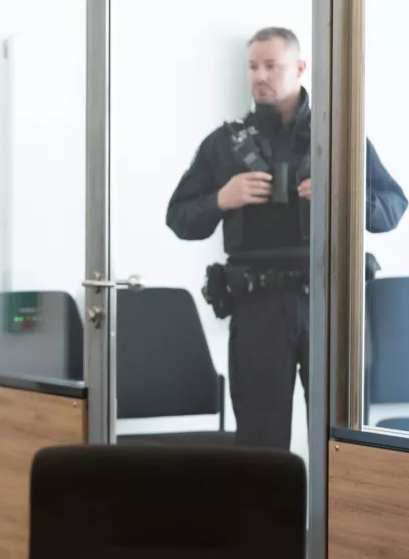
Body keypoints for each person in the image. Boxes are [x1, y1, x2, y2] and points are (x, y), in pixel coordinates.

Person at [166, 27, 407, 450]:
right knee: (260, 443)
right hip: (258, 309)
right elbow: (179, 218)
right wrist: (221, 199)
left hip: (329, 307)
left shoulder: (338, 137)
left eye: (270, 66)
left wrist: (342, 197)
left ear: (298, 68)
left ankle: (338, 520)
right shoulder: (224, 145)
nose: (260, 75)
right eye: (253, 66)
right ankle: (264, 520)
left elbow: (392, 207)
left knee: (342, 440)